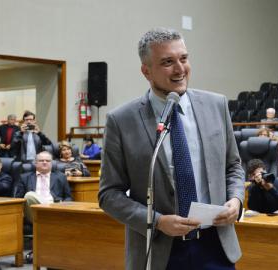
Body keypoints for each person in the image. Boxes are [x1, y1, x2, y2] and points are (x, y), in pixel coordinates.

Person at [98, 28, 245, 270]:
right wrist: (157, 221)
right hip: (159, 251)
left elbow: (233, 166)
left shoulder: (216, 105)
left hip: (216, 246)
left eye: (184, 59)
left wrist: (236, 200)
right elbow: (109, 194)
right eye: (168, 62)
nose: (180, 69)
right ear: (146, 71)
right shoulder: (122, 120)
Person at [15, 151, 72, 222]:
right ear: (35, 163)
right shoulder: (25, 177)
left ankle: (45, 219)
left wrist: (62, 205)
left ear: (51, 163)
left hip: (53, 207)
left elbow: (68, 197)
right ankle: (47, 218)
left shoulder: (61, 177)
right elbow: (18, 198)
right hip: (33, 209)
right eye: (41, 160)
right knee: (29, 195)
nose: (45, 162)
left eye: (48, 161)